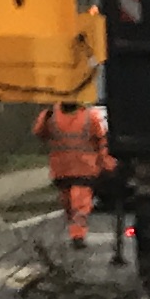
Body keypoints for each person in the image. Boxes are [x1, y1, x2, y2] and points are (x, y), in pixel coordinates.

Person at [39, 95, 112, 250]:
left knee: (80, 204)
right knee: (68, 203)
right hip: (62, 170)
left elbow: (101, 141)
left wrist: (105, 162)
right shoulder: (51, 115)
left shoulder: (89, 116)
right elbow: (40, 133)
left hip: (84, 170)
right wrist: (45, 118)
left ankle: (78, 235)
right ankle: (75, 230)